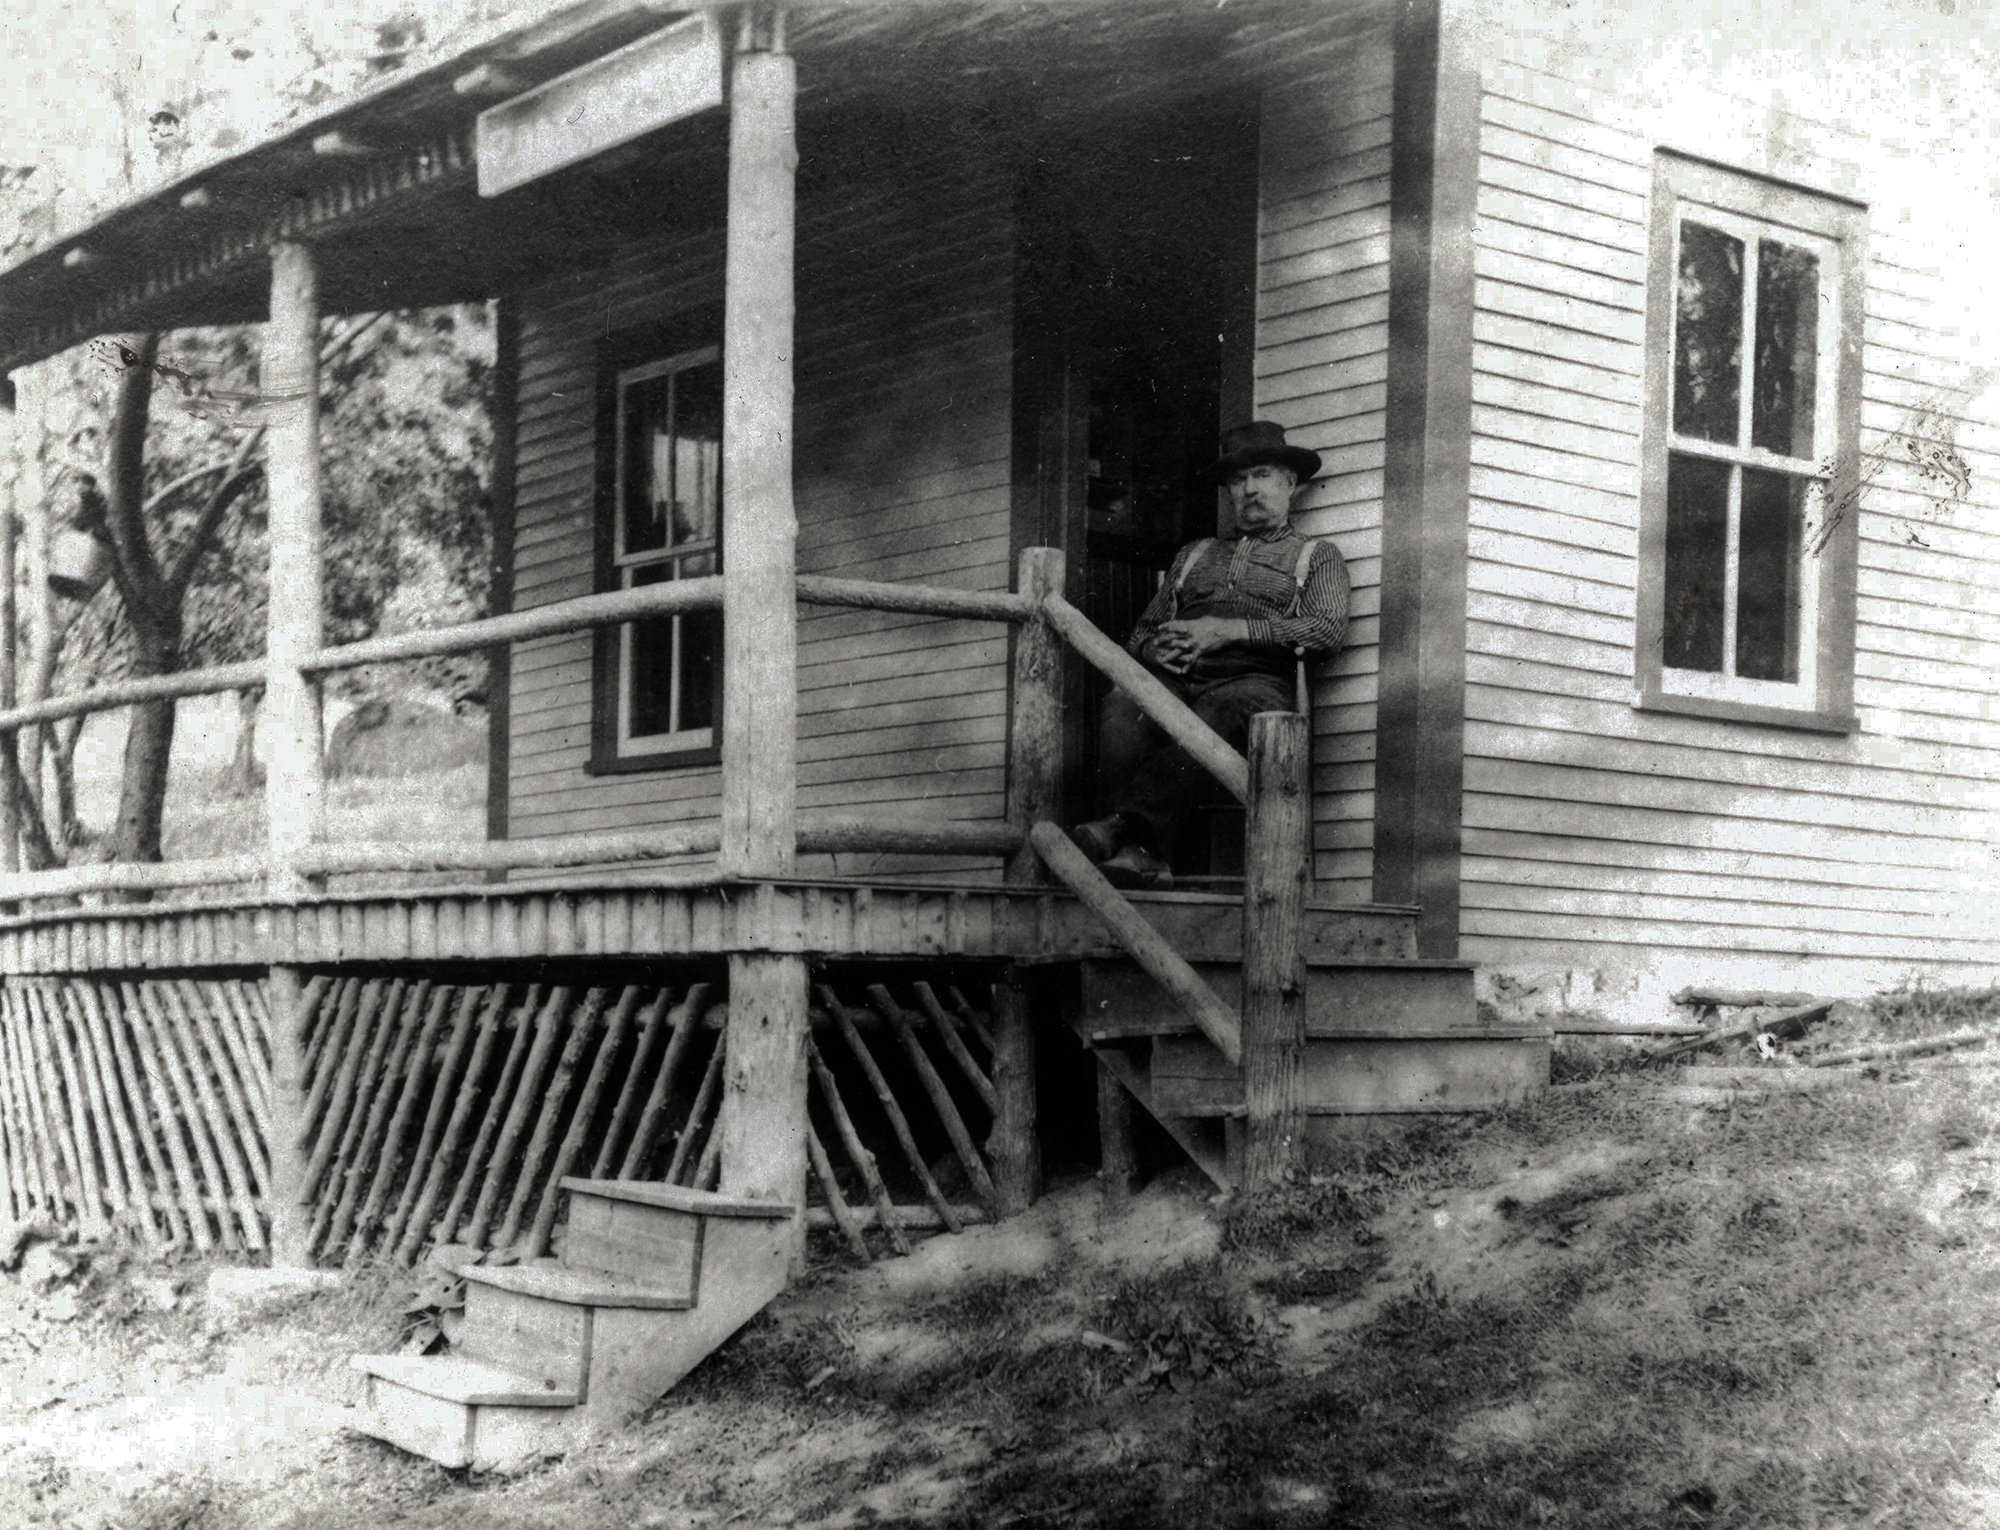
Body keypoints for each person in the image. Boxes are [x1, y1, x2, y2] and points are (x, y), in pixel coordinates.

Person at [1071, 420, 1350, 889]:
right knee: (1124, 703)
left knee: (1214, 710)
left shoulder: (1316, 556)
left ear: (1291, 484)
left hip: (1256, 683)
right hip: (1180, 676)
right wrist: (1153, 647)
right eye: (1238, 481)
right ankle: (1139, 852)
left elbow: (1325, 630)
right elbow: (1140, 631)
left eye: (1261, 475)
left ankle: (1126, 833)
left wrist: (1229, 630)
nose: (1249, 489)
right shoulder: (1194, 554)